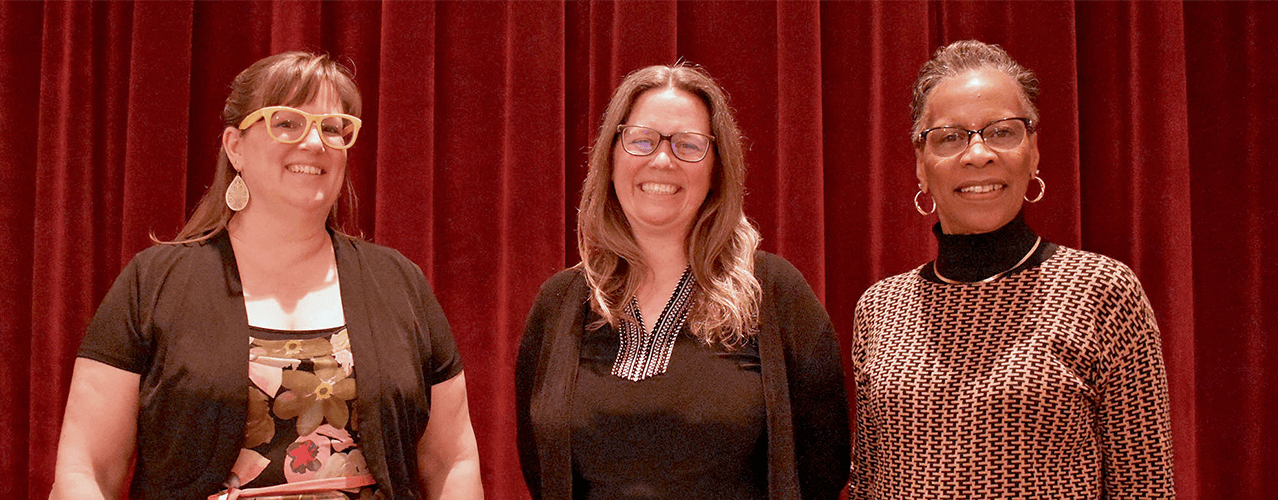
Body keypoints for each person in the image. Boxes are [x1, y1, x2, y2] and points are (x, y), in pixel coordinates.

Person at [49, 52, 483, 500]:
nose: (315, 142)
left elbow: (453, 462)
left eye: (332, 128)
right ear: (235, 146)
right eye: (287, 122)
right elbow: (87, 467)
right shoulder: (152, 283)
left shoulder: (399, 283)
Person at [849, 40, 1174, 498]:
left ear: (1034, 152)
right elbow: (868, 484)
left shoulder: (1103, 292)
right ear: (920, 166)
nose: (978, 154)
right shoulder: (881, 307)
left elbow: (1144, 487)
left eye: (1002, 131)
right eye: (950, 137)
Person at [515, 63, 850, 500]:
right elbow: (538, 463)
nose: (661, 159)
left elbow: (822, 463)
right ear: (611, 156)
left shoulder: (772, 291)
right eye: (640, 139)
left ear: (716, 169)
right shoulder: (559, 302)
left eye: (688, 145)